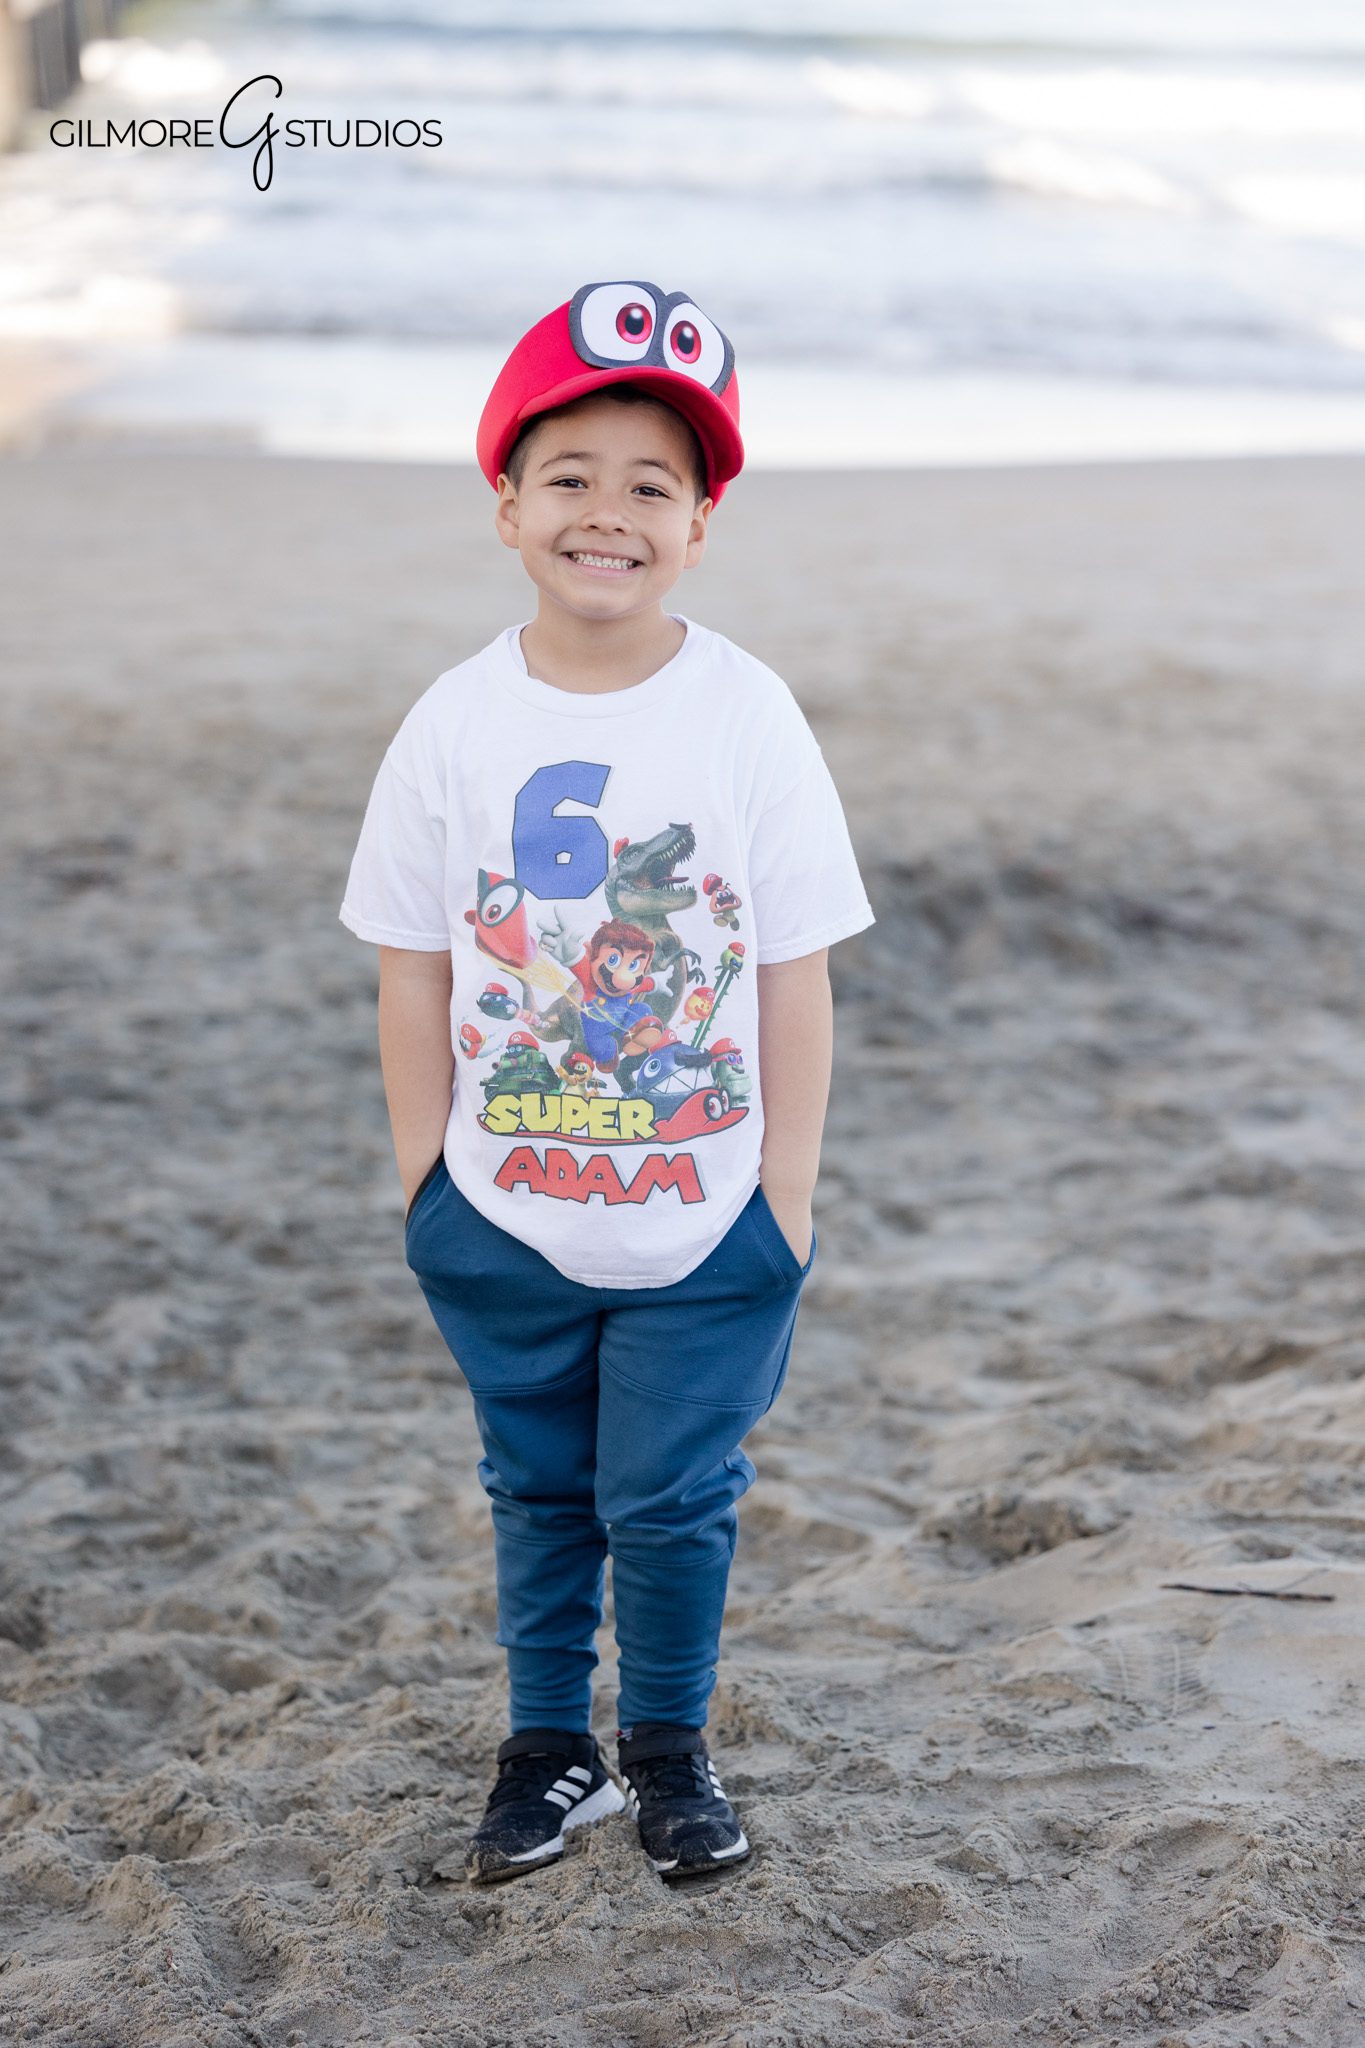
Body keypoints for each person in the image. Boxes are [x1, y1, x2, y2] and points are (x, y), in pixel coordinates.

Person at [339, 279, 875, 1884]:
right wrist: (428, 1181)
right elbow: (411, 956)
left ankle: (667, 1751)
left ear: (701, 524)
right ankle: (544, 1750)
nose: (608, 513)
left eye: (653, 484)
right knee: (539, 1488)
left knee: (671, 1496)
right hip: (501, 1207)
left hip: (706, 1211)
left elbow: (792, 963)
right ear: (505, 504)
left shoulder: (745, 714)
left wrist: (781, 1193)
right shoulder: (454, 720)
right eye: (570, 474)